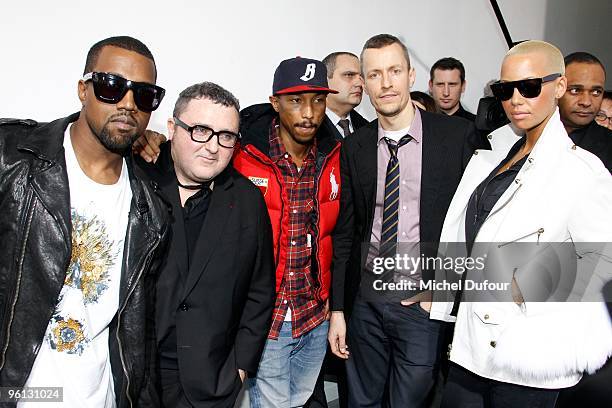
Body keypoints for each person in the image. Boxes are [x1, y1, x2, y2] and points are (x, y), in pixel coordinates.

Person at [430, 40, 612, 408]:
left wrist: (530, 287)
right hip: (469, 345)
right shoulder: (493, 155)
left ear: (558, 86)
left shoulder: (582, 171)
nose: (515, 99)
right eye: (504, 89)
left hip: (527, 355)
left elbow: (602, 257)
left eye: (529, 87)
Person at [0, 36, 169, 406]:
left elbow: (139, 332)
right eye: (112, 86)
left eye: (143, 95)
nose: (128, 104)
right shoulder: (12, 158)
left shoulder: (151, 209)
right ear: (83, 89)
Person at [329, 34, 486, 408]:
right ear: (364, 84)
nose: (386, 83)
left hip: (422, 303)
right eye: (376, 74)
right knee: (361, 401)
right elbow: (347, 233)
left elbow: (474, 222)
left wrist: (445, 290)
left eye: (394, 71)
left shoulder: (457, 136)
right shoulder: (355, 147)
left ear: (411, 76)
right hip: (366, 301)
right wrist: (338, 309)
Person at [136, 82, 275, 407]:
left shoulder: (247, 200)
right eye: (201, 130)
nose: (213, 147)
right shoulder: (138, 183)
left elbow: (260, 290)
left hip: (213, 383)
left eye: (226, 136)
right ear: (172, 128)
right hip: (138, 378)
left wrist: (240, 368)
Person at [233, 57, 341, 408]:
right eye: (296, 101)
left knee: (299, 400)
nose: (309, 112)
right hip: (269, 316)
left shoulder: (334, 155)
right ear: (275, 104)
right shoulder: (243, 155)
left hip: (315, 314)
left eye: (318, 100)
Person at [559, 52, 612, 172]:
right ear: (557, 89)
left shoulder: (609, 148)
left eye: (596, 92)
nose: (586, 102)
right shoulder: (527, 134)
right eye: (575, 90)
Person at [320, 52, 369, 139]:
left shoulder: (367, 128)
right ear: (325, 79)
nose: (359, 83)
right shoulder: (308, 125)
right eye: (349, 75)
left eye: (361, 77)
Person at [429, 57, 476, 121]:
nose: (446, 93)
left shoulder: (476, 126)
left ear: (463, 86)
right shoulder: (419, 122)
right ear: (431, 86)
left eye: (452, 85)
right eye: (440, 84)